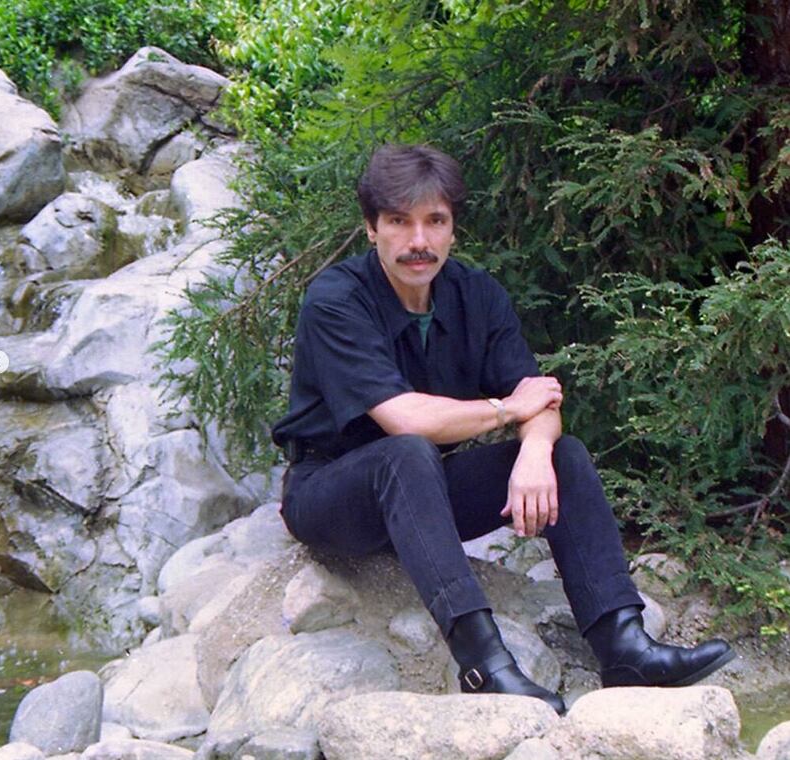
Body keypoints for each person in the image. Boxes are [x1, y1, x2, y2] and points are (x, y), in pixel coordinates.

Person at [271, 143, 734, 715]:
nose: (419, 241)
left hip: (424, 501)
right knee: (407, 451)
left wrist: (535, 449)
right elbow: (407, 419)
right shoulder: (336, 299)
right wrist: (507, 410)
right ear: (371, 228)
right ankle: (484, 667)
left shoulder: (477, 295)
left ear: (453, 229)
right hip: (332, 495)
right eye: (399, 222)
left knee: (563, 453)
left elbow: (540, 398)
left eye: (435, 221)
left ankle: (623, 645)